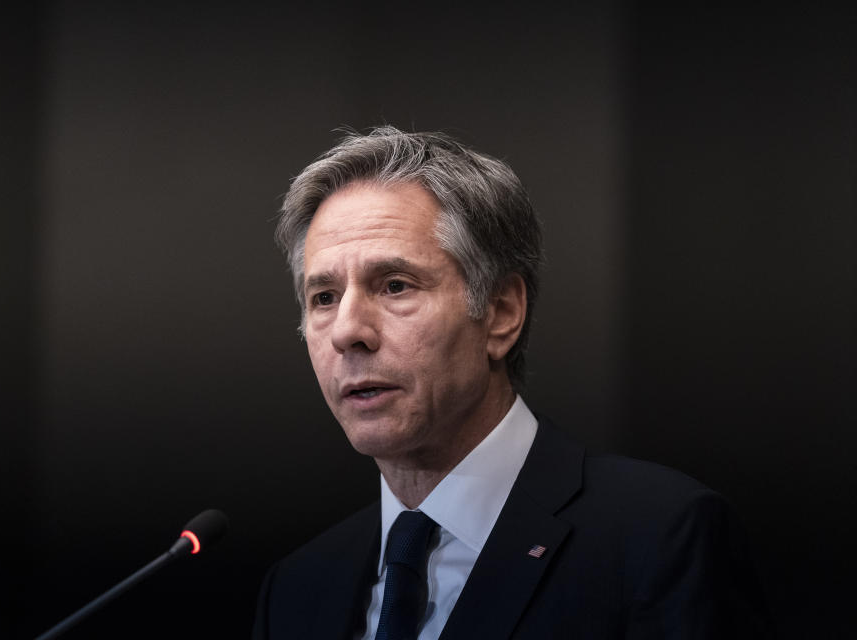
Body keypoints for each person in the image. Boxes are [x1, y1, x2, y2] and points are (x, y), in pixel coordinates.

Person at [253, 126, 771, 639]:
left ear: (501, 313)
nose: (347, 331)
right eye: (323, 297)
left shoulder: (661, 536)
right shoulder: (297, 590)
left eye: (394, 285)